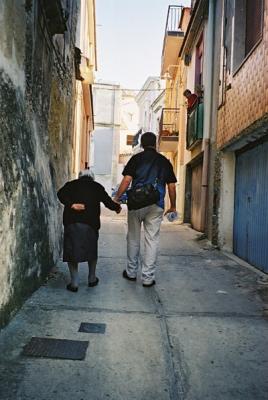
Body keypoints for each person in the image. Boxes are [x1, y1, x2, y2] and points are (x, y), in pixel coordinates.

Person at [114, 131, 177, 287]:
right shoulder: (164, 161)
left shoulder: (136, 159)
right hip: (156, 205)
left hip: (136, 204)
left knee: (133, 238)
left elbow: (127, 180)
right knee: (152, 240)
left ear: (141, 144)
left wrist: (116, 198)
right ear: (155, 143)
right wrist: (173, 206)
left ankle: (131, 273)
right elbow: (171, 186)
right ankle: (148, 278)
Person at [57, 168, 121, 292]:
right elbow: (108, 202)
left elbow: (60, 194)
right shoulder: (97, 187)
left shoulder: (70, 185)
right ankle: (91, 278)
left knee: (72, 251)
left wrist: (71, 204)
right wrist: (117, 208)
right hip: (90, 224)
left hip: (72, 223)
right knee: (91, 250)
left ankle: (74, 283)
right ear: (92, 178)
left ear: (79, 176)